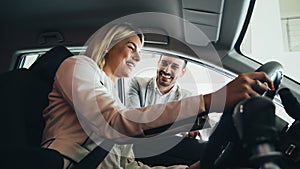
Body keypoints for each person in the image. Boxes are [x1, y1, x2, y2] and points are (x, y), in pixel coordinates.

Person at [41, 23, 274, 169]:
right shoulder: (77, 66)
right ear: (108, 45)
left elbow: (128, 165)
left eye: (139, 52)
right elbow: (113, 122)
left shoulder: (111, 94)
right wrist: (211, 100)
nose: (138, 58)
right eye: (131, 47)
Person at [126, 55, 205, 166]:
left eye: (175, 66)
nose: (167, 70)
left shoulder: (188, 97)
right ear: (158, 63)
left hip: (170, 151)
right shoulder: (137, 84)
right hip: (139, 147)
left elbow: (199, 126)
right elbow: (134, 121)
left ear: (182, 72)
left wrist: (193, 128)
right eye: (164, 63)